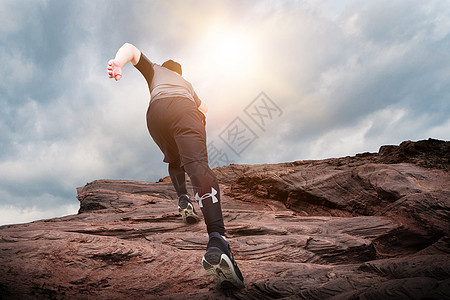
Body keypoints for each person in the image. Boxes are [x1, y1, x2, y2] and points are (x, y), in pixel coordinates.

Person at [107, 43, 244, 289]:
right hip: (183, 109)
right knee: (197, 166)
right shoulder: (186, 84)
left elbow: (130, 49)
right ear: (180, 72)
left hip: (156, 116)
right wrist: (198, 115)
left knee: (174, 160)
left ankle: (182, 198)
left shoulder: (155, 71)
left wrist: (118, 63)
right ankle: (218, 240)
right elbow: (204, 108)